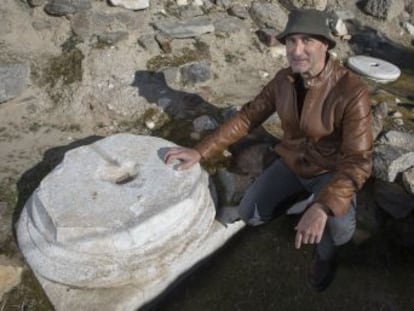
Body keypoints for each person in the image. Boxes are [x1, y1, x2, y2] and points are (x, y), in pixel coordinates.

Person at [164, 9, 373, 292]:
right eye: (291, 41)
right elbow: (248, 117)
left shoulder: (351, 91)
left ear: (325, 44)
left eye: (306, 41)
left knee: (339, 231)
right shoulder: (283, 81)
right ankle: (304, 204)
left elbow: (359, 161)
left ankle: (325, 253)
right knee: (251, 213)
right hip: (293, 163)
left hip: (331, 172)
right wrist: (201, 151)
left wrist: (324, 206)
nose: (296, 51)